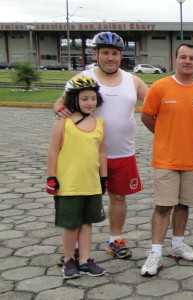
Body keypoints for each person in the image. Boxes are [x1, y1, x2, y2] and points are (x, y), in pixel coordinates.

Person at [53, 32, 149, 262]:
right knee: (81, 200)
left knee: (118, 198)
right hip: (86, 155)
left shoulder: (132, 80)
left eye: (115, 53)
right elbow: (60, 103)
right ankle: (73, 248)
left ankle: (114, 240)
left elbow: (156, 102)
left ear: (121, 55)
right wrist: (59, 110)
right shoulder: (82, 78)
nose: (110, 57)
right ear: (95, 53)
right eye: (105, 52)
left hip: (122, 152)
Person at [139, 43, 193, 277]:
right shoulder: (160, 87)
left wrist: (190, 136)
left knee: (183, 205)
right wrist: (166, 135)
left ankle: (177, 244)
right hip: (166, 159)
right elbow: (146, 117)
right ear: (175, 60)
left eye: (192, 58)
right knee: (163, 206)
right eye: (183, 57)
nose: (187, 61)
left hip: (192, 159)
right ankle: (155, 253)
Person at [47, 77, 108, 279]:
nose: (89, 102)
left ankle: (84, 260)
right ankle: (68, 260)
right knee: (71, 224)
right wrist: (51, 177)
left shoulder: (99, 124)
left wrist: (103, 178)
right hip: (69, 185)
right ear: (74, 100)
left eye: (92, 98)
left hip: (91, 184)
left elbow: (101, 153)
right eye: (84, 99)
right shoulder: (63, 123)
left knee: (87, 223)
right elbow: (53, 151)